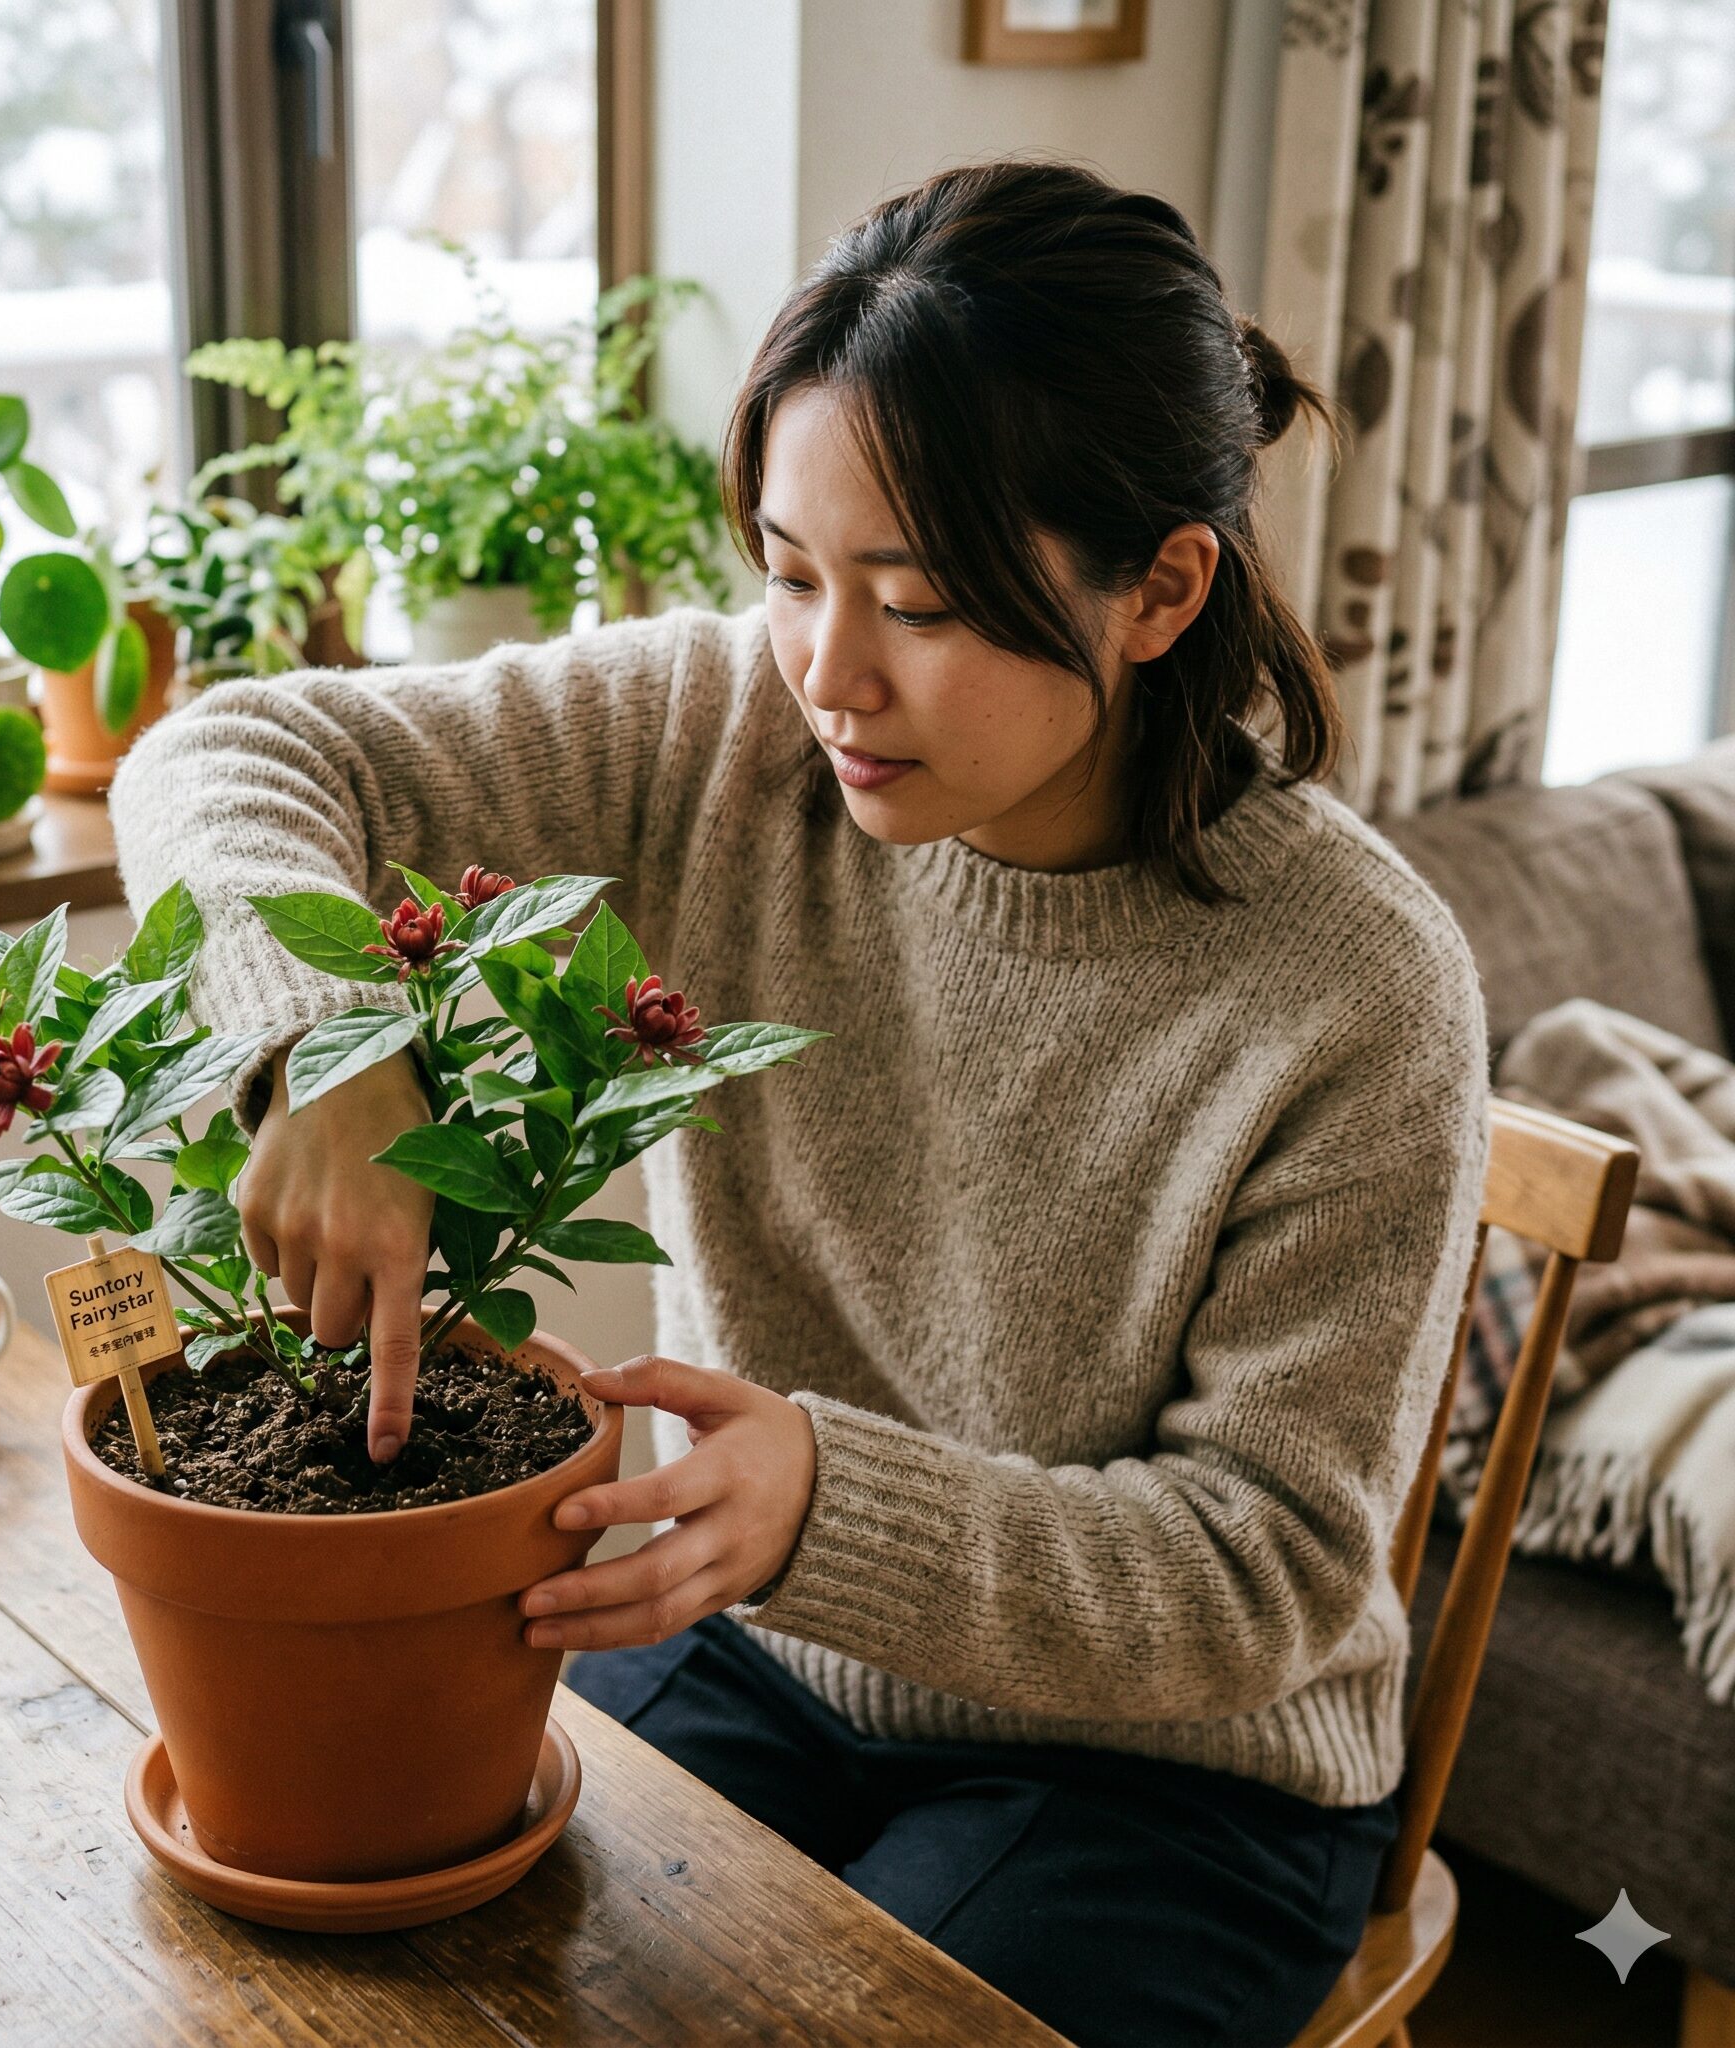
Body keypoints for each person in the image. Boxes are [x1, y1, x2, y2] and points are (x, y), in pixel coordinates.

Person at [109, 157, 1489, 2048]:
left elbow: (1273, 1576)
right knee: (401, 1965)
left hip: (1171, 1778)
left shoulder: (1354, 982)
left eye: (918, 602)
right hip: (754, 1647)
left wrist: (832, 1497)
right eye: (786, 574)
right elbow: (230, 746)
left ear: (1162, 586)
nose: (829, 676)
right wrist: (331, 1036)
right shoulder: (724, 732)